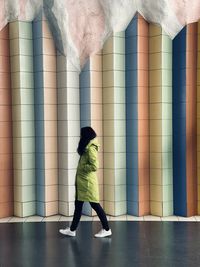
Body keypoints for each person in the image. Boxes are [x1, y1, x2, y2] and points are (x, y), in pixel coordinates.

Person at [59, 126, 112, 238]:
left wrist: (83, 167)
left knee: (96, 205)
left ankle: (107, 229)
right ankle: (72, 230)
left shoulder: (91, 148)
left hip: (87, 183)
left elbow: (94, 166)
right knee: (78, 206)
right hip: (83, 183)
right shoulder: (87, 147)